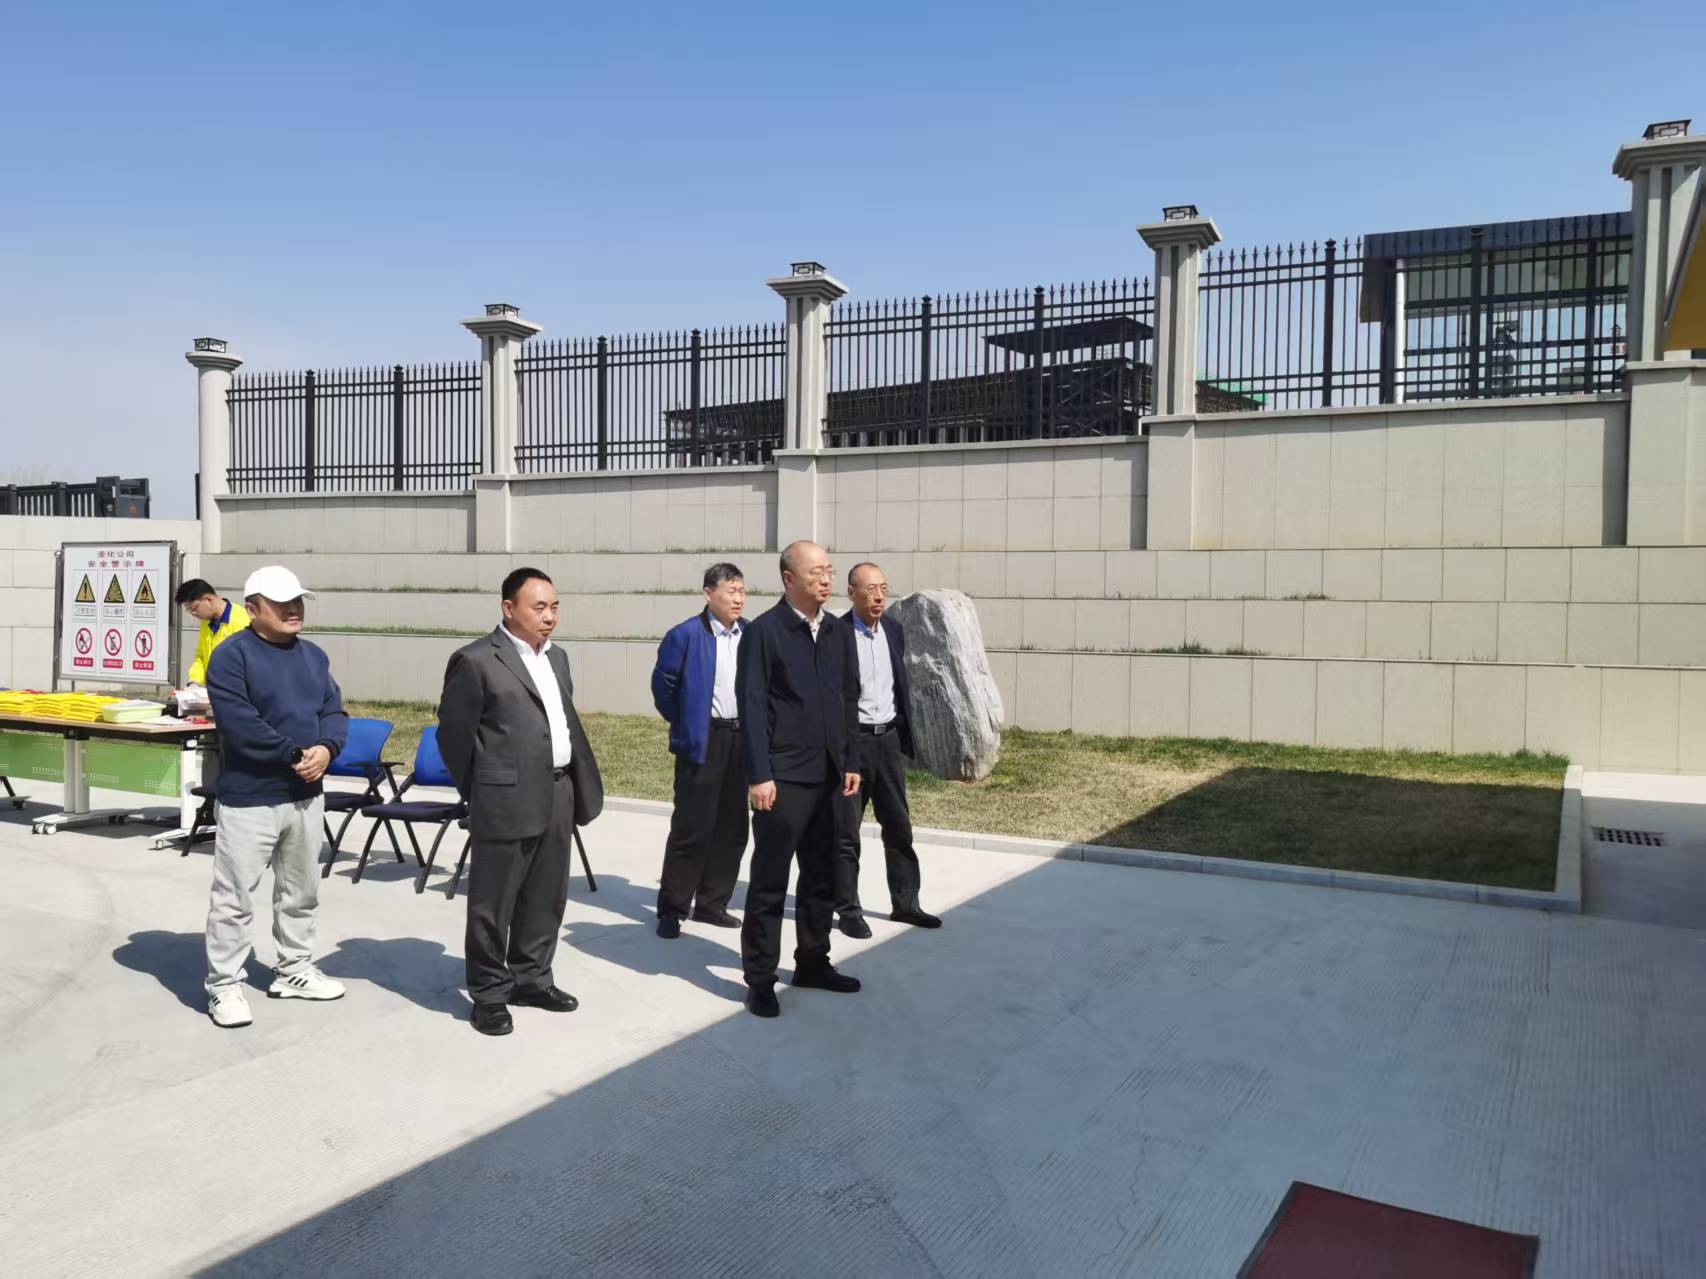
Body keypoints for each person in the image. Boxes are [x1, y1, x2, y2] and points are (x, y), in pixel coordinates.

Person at [438, 567, 604, 1037]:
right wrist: (482, 789)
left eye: (554, 607)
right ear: (508, 608)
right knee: (493, 902)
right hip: (503, 797)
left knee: (547, 895)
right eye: (539, 607)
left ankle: (532, 978)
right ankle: (490, 994)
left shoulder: (558, 658)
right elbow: (454, 737)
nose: (549, 616)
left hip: (558, 790)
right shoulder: (476, 660)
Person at [202, 565, 348, 1029]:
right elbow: (240, 722)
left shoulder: (314, 656)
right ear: (252, 609)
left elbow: (334, 711)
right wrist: (294, 754)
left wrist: (327, 749)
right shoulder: (231, 657)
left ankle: (294, 968)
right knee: (234, 897)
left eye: (297, 601)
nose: (293, 609)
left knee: (301, 892)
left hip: (305, 794)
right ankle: (224, 984)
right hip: (251, 798)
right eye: (281, 603)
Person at [735, 539, 862, 1018]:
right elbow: (751, 707)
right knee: (770, 881)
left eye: (829, 570)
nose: (826, 579)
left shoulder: (838, 632)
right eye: (816, 573)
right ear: (789, 579)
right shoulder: (764, 632)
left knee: (822, 877)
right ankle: (760, 979)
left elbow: (848, 698)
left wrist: (850, 761)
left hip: (831, 776)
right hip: (783, 779)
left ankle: (812, 961)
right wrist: (759, 775)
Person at [835, 562, 943, 937]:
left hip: (888, 742)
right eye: (870, 589)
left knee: (898, 826)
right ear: (852, 593)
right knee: (846, 833)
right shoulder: (836, 634)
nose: (879, 596)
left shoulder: (894, 631)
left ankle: (906, 903)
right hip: (853, 743)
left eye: (883, 587)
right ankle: (848, 909)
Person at [650, 562, 750, 938]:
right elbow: (663, 687)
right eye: (731, 591)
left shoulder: (750, 634)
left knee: (732, 827)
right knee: (691, 827)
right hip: (703, 738)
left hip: (741, 739)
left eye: (742, 591)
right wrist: (687, 721)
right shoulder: (685, 635)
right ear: (709, 594)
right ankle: (673, 908)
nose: (738, 599)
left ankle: (712, 903)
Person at [177, 578, 251, 687]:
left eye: (194, 608)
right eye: (189, 610)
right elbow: (201, 656)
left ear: (209, 600)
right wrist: (194, 682)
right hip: (213, 690)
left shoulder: (242, 621)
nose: (193, 614)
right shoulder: (206, 622)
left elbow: (247, 665)